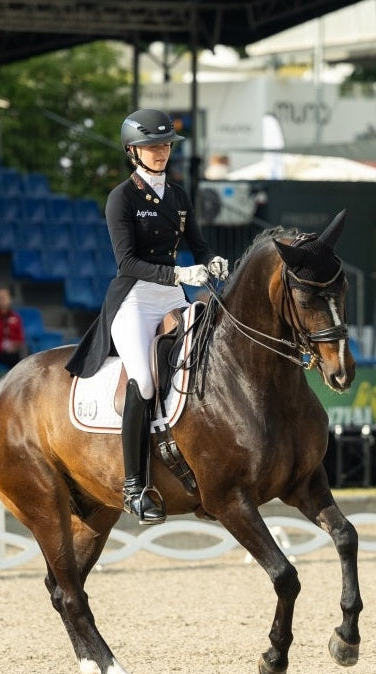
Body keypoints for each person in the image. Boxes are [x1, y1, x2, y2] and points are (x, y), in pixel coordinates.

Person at [65, 108, 229, 525]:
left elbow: (199, 244)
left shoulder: (178, 195)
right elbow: (127, 262)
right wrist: (178, 273)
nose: (161, 152)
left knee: (204, 365)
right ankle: (134, 487)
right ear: (132, 152)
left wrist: (212, 259)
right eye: (151, 146)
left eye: (165, 145)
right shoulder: (122, 198)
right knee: (144, 381)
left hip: (172, 296)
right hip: (135, 300)